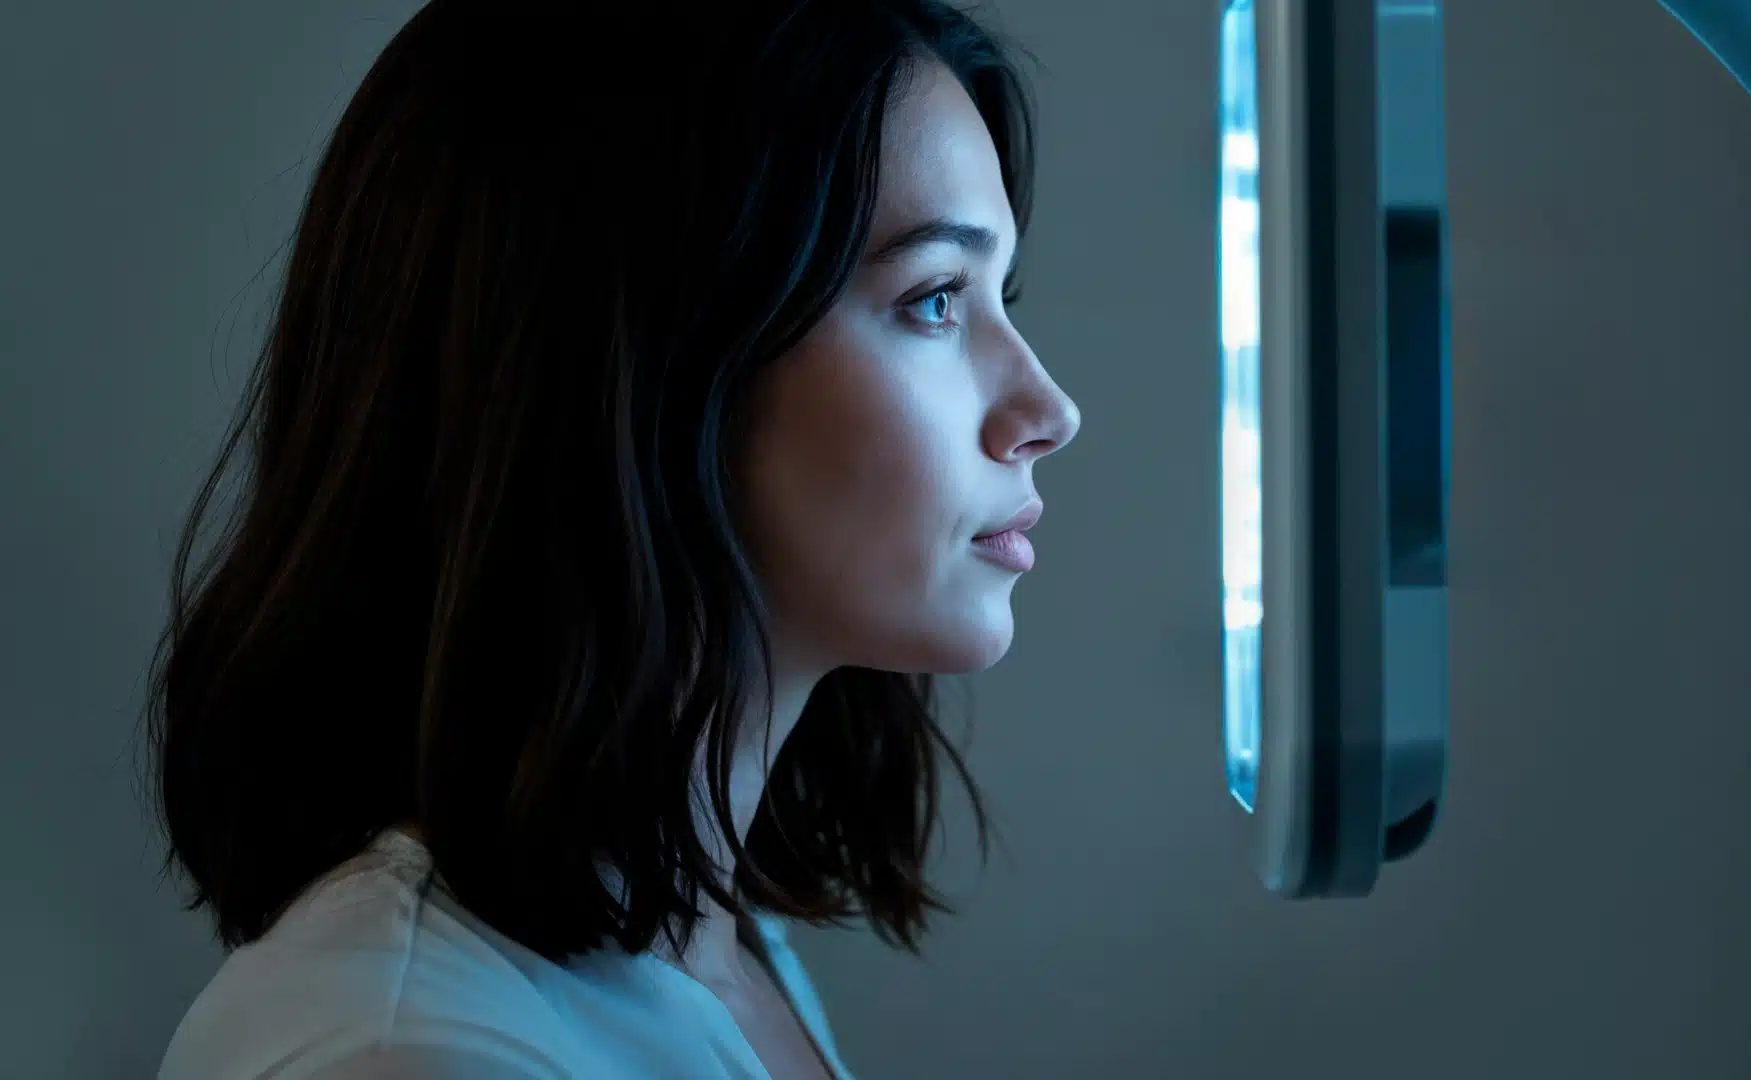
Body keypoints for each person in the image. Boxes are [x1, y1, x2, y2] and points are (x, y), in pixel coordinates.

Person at [144, 1, 1080, 1076]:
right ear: (642, 364)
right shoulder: (409, 1052)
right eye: (933, 301)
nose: (1048, 408)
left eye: (997, 293)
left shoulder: (714, 954)